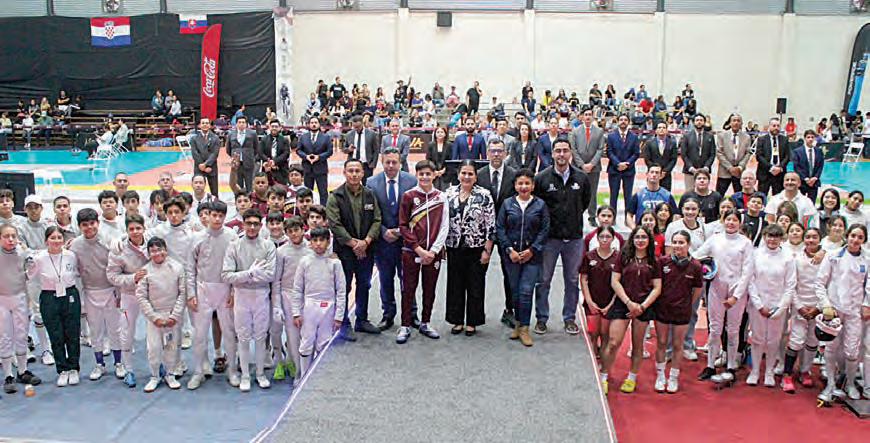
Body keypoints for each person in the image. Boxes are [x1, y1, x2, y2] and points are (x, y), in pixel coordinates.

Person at [532, 137, 591, 335]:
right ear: (552, 154)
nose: (562, 154)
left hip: (574, 238)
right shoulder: (542, 179)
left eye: (565, 150)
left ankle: (569, 318)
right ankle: (541, 318)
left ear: (570, 153)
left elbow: (584, 203)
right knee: (543, 280)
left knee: (572, 281)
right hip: (550, 239)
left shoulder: (581, 178)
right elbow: (538, 207)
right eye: (558, 151)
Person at [692, 210, 754, 384]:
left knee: (733, 331)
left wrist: (736, 296)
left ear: (739, 223)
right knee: (715, 329)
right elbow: (696, 256)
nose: (731, 223)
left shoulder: (746, 243)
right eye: (728, 219)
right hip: (716, 289)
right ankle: (710, 366)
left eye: (734, 220)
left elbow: (747, 271)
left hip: (736, 292)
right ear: (723, 221)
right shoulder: (715, 239)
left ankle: (731, 367)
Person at [599, 226, 662, 394]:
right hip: (623, 304)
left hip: (643, 307)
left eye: (644, 237)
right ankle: (604, 376)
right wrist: (628, 302)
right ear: (632, 239)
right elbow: (615, 281)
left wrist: (642, 306)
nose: (640, 240)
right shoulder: (623, 257)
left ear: (649, 240)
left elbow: (657, 287)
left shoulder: (654, 261)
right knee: (613, 342)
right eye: (637, 237)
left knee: (637, 345)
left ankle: (632, 377)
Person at [185, 201, 240, 390]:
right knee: (199, 334)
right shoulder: (197, 238)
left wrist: (233, 291)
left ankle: (232, 370)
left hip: (225, 288)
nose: (217, 219)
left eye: (220, 216)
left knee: (229, 332)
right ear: (207, 216)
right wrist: (191, 293)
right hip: (203, 289)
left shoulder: (232, 236)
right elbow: (190, 267)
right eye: (213, 215)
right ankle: (198, 371)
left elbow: (237, 266)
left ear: (225, 217)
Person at [326, 159, 382, 340]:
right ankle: (343, 323)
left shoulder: (370, 195)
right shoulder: (335, 196)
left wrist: (366, 241)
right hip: (345, 251)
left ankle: (362, 320)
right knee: (345, 286)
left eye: (357, 171)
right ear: (344, 173)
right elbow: (335, 224)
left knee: (364, 284)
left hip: (366, 249)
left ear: (363, 173)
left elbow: (377, 220)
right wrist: (354, 244)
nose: (354, 174)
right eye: (350, 170)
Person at [221, 209, 276, 392]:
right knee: (243, 338)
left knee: (260, 337)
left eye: (256, 224)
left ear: (261, 225)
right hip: (241, 296)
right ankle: (245, 375)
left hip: (261, 295)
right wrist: (250, 274)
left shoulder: (268, 246)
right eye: (249, 223)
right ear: (243, 224)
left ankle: (260, 374)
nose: (252, 227)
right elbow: (227, 275)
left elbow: (270, 274)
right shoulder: (234, 246)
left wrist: (244, 276)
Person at [496, 168, 549, 346]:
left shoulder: (540, 205)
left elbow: (544, 230)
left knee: (526, 291)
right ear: (515, 186)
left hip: (532, 257)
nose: (523, 186)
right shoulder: (507, 204)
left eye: (527, 183)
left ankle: (525, 328)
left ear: (533, 186)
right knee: (516, 292)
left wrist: (532, 250)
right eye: (520, 183)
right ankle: (518, 325)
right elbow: (500, 228)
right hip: (511, 256)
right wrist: (509, 249)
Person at [68, 208, 123, 382]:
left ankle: (119, 363)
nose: (89, 227)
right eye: (85, 225)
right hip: (90, 292)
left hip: (110, 290)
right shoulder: (75, 245)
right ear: (79, 226)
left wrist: (119, 293)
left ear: (98, 223)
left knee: (115, 329)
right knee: (95, 331)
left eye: (92, 223)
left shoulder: (109, 241)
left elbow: (118, 266)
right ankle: (99, 364)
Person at [397, 160, 449, 344]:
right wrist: (418, 249)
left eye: (428, 174)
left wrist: (433, 251)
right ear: (416, 175)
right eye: (421, 174)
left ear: (434, 175)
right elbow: (403, 226)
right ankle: (405, 325)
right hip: (411, 252)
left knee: (430, 288)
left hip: (433, 254)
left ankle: (426, 322)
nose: (425, 177)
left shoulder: (441, 197)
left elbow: (445, 225)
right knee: (408, 289)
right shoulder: (409, 196)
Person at [815, 224, 867, 402]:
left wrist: (866, 305)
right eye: (853, 235)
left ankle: (849, 383)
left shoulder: (867, 259)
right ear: (847, 236)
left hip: (855, 311)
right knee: (831, 347)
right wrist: (826, 305)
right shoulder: (833, 255)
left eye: (860, 237)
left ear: (864, 240)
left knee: (852, 351)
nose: (855, 240)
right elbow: (820, 283)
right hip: (834, 310)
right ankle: (830, 384)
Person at [367, 148, 418, 331]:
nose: (390, 166)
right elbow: (370, 212)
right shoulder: (371, 183)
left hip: (405, 241)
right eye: (387, 162)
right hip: (383, 243)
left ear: (400, 163)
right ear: (382, 162)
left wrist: (400, 231)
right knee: (385, 280)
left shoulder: (411, 181)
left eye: (394, 162)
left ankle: (411, 314)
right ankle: (388, 315)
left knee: (408, 279)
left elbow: (416, 212)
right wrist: (383, 231)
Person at [445, 160, 496, 337]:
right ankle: (457, 320)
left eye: (470, 174)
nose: (466, 177)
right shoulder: (449, 193)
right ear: (458, 174)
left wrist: (487, 250)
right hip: (454, 246)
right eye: (463, 173)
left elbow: (491, 225)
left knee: (475, 285)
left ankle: (473, 321)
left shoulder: (484, 195)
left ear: (475, 176)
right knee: (455, 284)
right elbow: (443, 222)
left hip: (476, 248)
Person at [743, 225, 796, 387]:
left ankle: (769, 372)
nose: (772, 240)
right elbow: (750, 280)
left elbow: (790, 285)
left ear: (781, 239)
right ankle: (755, 371)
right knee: (757, 339)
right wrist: (759, 305)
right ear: (764, 236)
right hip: (758, 305)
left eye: (776, 236)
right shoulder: (756, 254)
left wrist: (781, 307)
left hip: (778, 306)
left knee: (773, 340)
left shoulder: (788, 257)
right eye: (769, 236)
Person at [290, 227, 345, 381]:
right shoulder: (305, 262)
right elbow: (297, 288)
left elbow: (341, 291)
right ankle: (303, 377)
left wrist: (339, 316)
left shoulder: (335, 263)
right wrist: (296, 312)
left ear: (328, 242)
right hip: (309, 307)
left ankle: (318, 379)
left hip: (328, 307)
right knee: (306, 342)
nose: (319, 244)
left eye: (322, 240)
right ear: (311, 242)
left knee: (324, 343)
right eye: (315, 240)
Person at [28, 226, 80, 387]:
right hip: (49, 296)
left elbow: (77, 273)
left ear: (63, 240)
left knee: (72, 332)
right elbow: (29, 277)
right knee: (56, 334)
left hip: (69, 294)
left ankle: (74, 368)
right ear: (46, 241)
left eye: (59, 238)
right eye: (52, 238)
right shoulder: (39, 258)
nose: (56, 241)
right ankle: (62, 369)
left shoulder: (71, 255)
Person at [653, 231, 704, 393]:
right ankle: (660, 375)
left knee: (677, 345)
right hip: (662, 309)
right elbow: (656, 285)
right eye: (675, 242)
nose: (677, 246)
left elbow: (697, 290)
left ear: (688, 245)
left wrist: (687, 303)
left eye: (681, 242)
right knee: (661, 343)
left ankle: (673, 377)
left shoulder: (695, 266)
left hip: (682, 311)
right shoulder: (663, 262)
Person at [135, 237, 186, 393]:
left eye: (160, 249)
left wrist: (174, 316)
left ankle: (170, 374)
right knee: (154, 348)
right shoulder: (145, 271)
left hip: (172, 316)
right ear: (149, 253)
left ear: (166, 250)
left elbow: (182, 293)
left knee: (171, 347)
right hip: (155, 317)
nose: (157, 253)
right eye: (153, 251)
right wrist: (153, 317)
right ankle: (155, 376)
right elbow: (141, 296)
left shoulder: (177, 268)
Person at [476, 139, 517, 326]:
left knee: (509, 273)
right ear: (487, 153)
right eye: (493, 151)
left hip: (507, 231)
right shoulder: (479, 175)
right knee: (478, 273)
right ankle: (476, 312)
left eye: (500, 151)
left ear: (505, 153)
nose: (496, 154)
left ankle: (510, 310)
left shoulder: (513, 175)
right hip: (482, 232)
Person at [106, 214, 149, 388]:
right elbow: (112, 275)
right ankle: (129, 369)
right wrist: (133, 278)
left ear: (144, 228)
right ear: (126, 231)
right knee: (126, 332)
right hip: (129, 295)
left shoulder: (152, 244)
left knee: (156, 333)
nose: (135, 232)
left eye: (138, 228)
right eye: (131, 229)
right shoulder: (119, 250)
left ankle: (159, 365)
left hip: (151, 295)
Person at [0, 224, 42, 393]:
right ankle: (8, 375)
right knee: (5, 337)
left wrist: (28, 269)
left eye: (13, 236)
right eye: (6, 236)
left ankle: (22, 371)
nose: (11, 239)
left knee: (21, 335)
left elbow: (35, 267)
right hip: (2, 300)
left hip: (20, 298)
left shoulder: (23, 253)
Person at [781, 227, 822, 393]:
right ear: (804, 240)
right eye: (808, 237)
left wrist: (819, 307)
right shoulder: (796, 259)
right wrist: (800, 307)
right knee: (796, 341)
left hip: (818, 307)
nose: (811, 240)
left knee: (813, 341)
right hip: (801, 307)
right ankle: (787, 375)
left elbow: (828, 284)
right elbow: (791, 285)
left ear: (820, 239)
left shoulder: (826, 259)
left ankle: (805, 371)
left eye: (814, 237)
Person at [271, 216, 308, 384]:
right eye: (290, 231)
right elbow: (276, 280)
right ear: (286, 233)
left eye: (296, 230)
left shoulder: (311, 249)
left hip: (308, 296)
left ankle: (308, 369)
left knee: (307, 335)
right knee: (293, 336)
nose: (294, 234)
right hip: (287, 296)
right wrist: (277, 305)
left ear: (303, 229)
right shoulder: (281, 252)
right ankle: (299, 372)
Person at [580, 226, 618, 358]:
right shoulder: (589, 256)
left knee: (605, 334)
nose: (605, 239)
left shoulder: (618, 257)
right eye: (602, 236)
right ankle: (592, 360)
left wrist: (611, 305)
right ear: (597, 238)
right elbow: (583, 279)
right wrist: (589, 301)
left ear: (613, 238)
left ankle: (604, 363)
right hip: (592, 302)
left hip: (609, 302)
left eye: (608, 237)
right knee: (593, 333)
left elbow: (620, 283)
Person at [570, 108, 605, 224]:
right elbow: (573, 149)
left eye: (590, 114)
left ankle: (592, 216)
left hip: (594, 168)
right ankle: (576, 215)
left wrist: (591, 164)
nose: (588, 117)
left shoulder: (599, 131)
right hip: (578, 167)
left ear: (593, 116)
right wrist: (582, 165)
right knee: (576, 192)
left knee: (592, 193)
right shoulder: (575, 131)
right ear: (582, 117)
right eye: (586, 114)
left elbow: (600, 149)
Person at [606, 114, 640, 211]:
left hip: (629, 170)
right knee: (613, 196)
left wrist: (627, 164)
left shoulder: (634, 137)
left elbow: (636, 153)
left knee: (628, 196)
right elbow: (609, 152)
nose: (623, 121)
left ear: (629, 122)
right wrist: (618, 164)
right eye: (621, 119)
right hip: (614, 169)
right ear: (617, 122)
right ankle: (612, 217)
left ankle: (627, 217)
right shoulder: (611, 136)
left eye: (625, 120)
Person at [296, 116, 332, 205]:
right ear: (309, 124)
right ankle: (308, 208)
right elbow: (298, 150)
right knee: (307, 192)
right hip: (307, 168)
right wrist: (306, 156)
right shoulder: (303, 137)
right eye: (312, 123)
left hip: (321, 168)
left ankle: (324, 209)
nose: (314, 124)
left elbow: (329, 151)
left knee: (323, 192)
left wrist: (319, 157)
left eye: (316, 122)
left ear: (319, 124)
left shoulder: (326, 137)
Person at [715, 114, 752, 195]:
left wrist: (740, 167)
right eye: (734, 120)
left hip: (739, 172)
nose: (736, 123)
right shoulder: (722, 135)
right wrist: (730, 168)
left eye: (738, 121)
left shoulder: (747, 137)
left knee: (740, 196)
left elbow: (748, 153)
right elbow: (719, 153)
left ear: (741, 123)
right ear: (730, 123)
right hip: (724, 171)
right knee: (718, 196)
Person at [679, 114, 716, 192]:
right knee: (690, 194)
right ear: (693, 122)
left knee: (703, 193)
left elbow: (712, 154)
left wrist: (706, 167)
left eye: (701, 120)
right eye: (697, 120)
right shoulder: (686, 136)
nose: (699, 122)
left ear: (704, 122)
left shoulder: (710, 136)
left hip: (705, 171)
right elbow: (684, 154)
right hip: (690, 171)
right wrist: (691, 168)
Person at [755, 118, 790, 195]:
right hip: (765, 173)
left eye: (778, 126)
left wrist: (780, 167)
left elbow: (787, 156)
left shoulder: (784, 139)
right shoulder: (761, 139)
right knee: (761, 196)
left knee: (778, 197)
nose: (776, 128)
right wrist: (771, 167)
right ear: (769, 126)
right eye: (774, 126)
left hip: (779, 174)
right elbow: (759, 156)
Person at [641, 122, 679, 191]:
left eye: (664, 128)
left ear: (667, 130)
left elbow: (673, 159)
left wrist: (665, 171)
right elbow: (647, 159)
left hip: (666, 175)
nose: (661, 129)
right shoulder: (649, 142)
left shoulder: (672, 143)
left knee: (666, 195)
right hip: (653, 174)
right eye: (659, 127)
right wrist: (655, 170)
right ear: (656, 130)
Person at [225, 116, 258, 194]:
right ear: (236, 124)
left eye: (243, 122)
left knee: (249, 186)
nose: (241, 124)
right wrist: (234, 157)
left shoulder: (252, 133)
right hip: (236, 165)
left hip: (249, 163)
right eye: (239, 122)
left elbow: (256, 148)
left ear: (246, 124)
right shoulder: (231, 134)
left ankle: (250, 200)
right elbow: (228, 149)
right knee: (238, 186)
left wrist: (250, 157)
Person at [189, 117, 221, 197]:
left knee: (214, 192)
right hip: (199, 167)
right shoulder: (194, 139)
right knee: (198, 190)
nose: (205, 125)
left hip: (211, 167)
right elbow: (195, 153)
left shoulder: (215, 138)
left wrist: (206, 164)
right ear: (199, 125)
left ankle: (215, 203)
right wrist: (202, 166)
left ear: (210, 125)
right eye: (203, 123)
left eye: (207, 123)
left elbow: (215, 153)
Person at [791, 130, 824, 204]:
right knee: (799, 203)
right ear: (805, 138)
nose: (810, 139)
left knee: (811, 204)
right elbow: (796, 167)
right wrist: (806, 179)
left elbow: (820, 166)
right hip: (802, 182)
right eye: (808, 137)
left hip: (814, 182)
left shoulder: (819, 151)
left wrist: (815, 177)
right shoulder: (797, 151)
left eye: (812, 137)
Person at [343, 115, 379, 183]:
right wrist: (349, 149)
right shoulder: (349, 134)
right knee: (352, 184)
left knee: (367, 185)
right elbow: (344, 149)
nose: (356, 129)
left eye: (358, 127)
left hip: (366, 164)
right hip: (353, 164)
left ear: (362, 124)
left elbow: (376, 150)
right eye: (355, 127)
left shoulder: (371, 134)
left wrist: (373, 164)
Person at [258, 120, 292, 186]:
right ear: (269, 127)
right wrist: (268, 161)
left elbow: (286, 153)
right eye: (272, 126)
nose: (274, 128)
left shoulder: (285, 140)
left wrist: (275, 161)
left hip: (281, 169)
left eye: (276, 126)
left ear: (280, 128)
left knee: (281, 188)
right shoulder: (264, 139)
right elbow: (260, 153)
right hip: (267, 168)